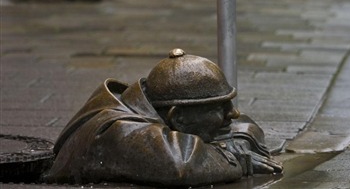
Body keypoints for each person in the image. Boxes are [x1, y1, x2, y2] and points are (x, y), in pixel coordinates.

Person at [43, 48, 282, 187]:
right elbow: (181, 163)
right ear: (177, 118)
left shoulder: (152, 105)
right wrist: (235, 157)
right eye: (219, 107)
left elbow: (246, 126)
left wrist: (224, 147)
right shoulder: (118, 131)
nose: (233, 113)